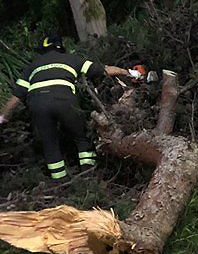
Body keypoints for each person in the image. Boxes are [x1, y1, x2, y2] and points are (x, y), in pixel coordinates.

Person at [0, 35, 137, 181]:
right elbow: (104, 70)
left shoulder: (32, 66)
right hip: (64, 100)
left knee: (50, 143)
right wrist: (130, 73)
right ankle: (89, 176)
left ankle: (61, 182)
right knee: (81, 136)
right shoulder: (71, 59)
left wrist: (3, 117)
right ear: (61, 48)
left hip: (37, 105)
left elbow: (16, 96)